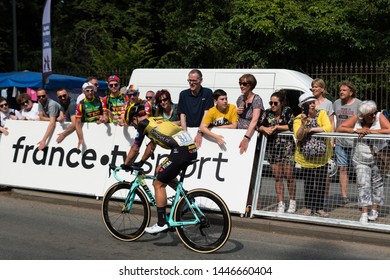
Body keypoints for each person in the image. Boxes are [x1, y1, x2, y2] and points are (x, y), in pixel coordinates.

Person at [122, 102, 197, 234]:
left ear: (134, 118)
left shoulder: (142, 124)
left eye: (132, 124)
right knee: (159, 170)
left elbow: (135, 148)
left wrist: (126, 164)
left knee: (158, 183)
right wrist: (141, 162)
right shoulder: (154, 120)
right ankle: (186, 199)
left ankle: (162, 223)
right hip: (190, 148)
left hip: (180, 151)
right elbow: (152, 145)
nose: (134, 127)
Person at [337, 100, 390, 223]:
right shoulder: (357, 119)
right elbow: (340, 128)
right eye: (370, 115)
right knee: (363, 184)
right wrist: (356, 130)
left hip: (379, 157)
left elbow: (388, 129)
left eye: (374, 113)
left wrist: (372, 132)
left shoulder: (379, 116)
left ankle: (375, 210)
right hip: (360, 157)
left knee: (378, 184)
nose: (373, 116)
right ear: (363, 116)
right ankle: (364, 213)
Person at [293, 92, 332, 217]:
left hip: (322, 156)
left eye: (313, 102)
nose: (312, 105)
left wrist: (310, 130)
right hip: (306, 157)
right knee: (308, 182)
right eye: (309, 103)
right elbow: (298, 135)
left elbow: (327, 128)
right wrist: (304, 123)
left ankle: (319, 208)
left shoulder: (322, 113)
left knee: (321, 181)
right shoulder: (298, 119)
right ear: (303, 106)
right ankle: (309, 207)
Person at [258, 90, 296, 213]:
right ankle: (281, 203)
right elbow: (259, 125)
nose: (273, 105)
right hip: (272, 148)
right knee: (277, 176)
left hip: (287, 148)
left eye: (275, 103)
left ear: (281, 103)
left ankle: (292, 202)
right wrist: (265, 128)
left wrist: (277, 127)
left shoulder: (287, 111)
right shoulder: (267, 113)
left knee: (289, 175)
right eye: (271, 103)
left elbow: (292, 125)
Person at [333, 81, 362, 205]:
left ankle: (362, 197)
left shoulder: (359, 104)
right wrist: (332, 139)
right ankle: (344, 197)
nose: (341, 92)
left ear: (351, 92)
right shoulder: (336, 103)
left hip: (355, 142)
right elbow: (333, 121)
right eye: (340, 90)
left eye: (344, 90)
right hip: (340, 142)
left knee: (358, 170)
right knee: (342, 168)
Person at [178, 69, 214, 147]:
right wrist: (185, 134)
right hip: (188, 129)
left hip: (203, 131)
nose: (191, 83)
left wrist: (200, 133)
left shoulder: (207, 93)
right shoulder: (183, 94)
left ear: (201, 81)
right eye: (189, 80)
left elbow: (207, 114)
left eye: (194, 81)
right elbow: (182, 115)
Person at [236, 73, 264, 154]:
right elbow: (238, 117)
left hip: (251, 136)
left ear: (251, 85)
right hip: (238, 134)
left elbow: (255, 120)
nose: (241, 86)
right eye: (240, 83)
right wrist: (237, 112)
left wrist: (246, 138)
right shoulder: (240, 98)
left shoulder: (257, 99)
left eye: (244, 84)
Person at [74, 82, 107, 149]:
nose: (90, 92)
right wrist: (80, 139)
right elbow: (77, 124)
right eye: (88, 91)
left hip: (101, 129)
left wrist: (103, 119)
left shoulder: (100, 100)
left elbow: (106, 115)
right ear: (83, 91)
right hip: (88, 130)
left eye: (92, 90)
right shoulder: (80, 105)